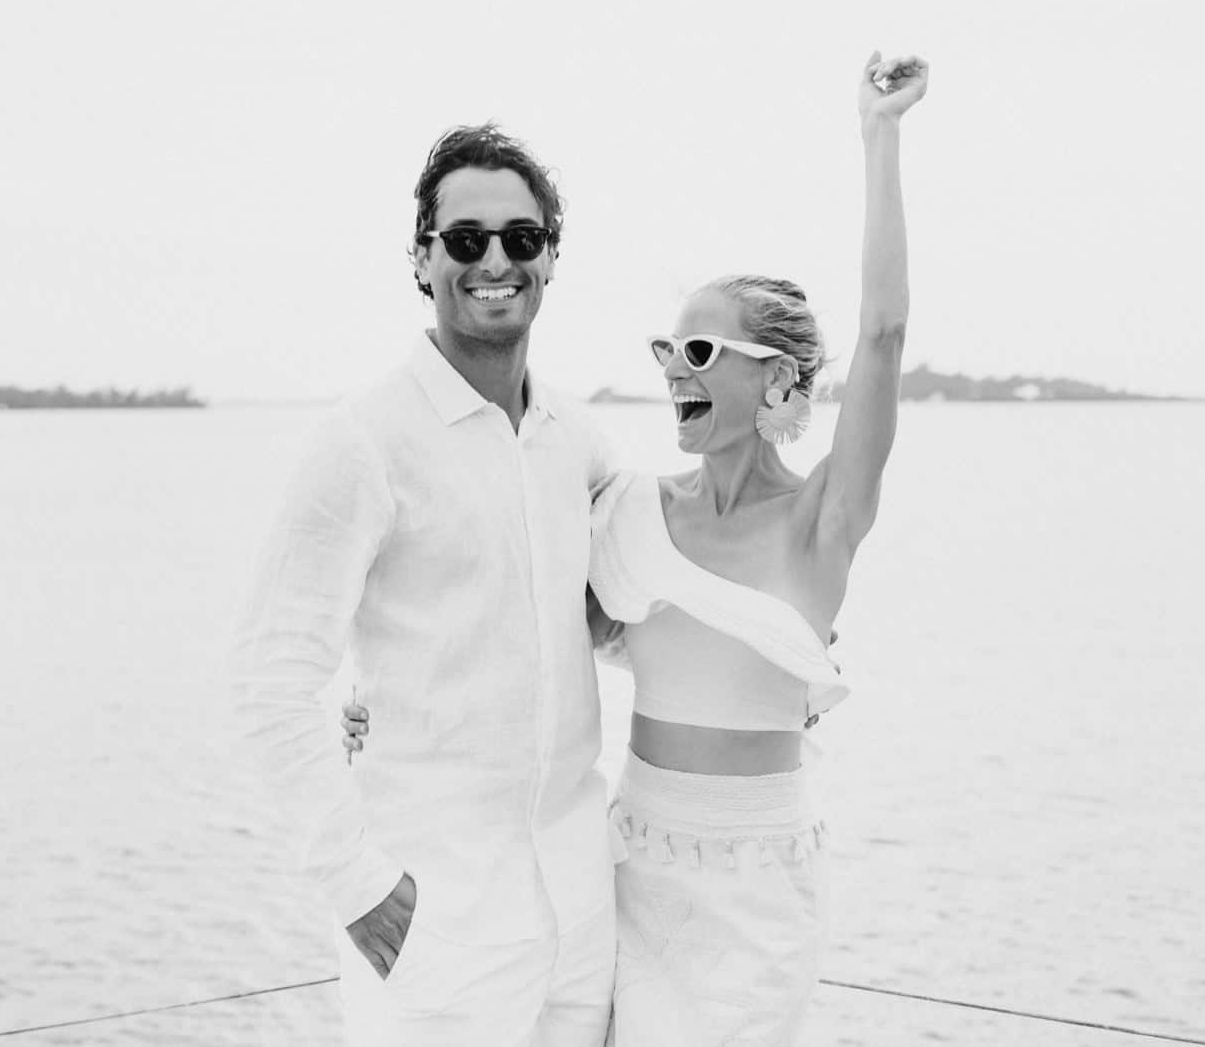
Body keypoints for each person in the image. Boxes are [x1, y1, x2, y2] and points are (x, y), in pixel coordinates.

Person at [346, 51, 929, 1042]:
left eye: (698, 352)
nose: (672, 372)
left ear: (778, 383)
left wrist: (879, 135)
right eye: (666, 350)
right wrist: (379, 703)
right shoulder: (627, 511)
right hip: (633, 853)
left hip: (759, 874)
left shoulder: (822, 524)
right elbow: (510, 620)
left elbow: (880, 335)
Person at [231, 123, 617, 1045]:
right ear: (421, 257)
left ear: (551, 258)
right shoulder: (364, 440)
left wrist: (778, 648)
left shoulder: (578, 440)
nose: (495, 260)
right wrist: (361, 888)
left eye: (521, 238)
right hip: (436, 925)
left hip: (581, 909)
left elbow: (633, 601)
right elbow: (268, 679)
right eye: (465, 239)